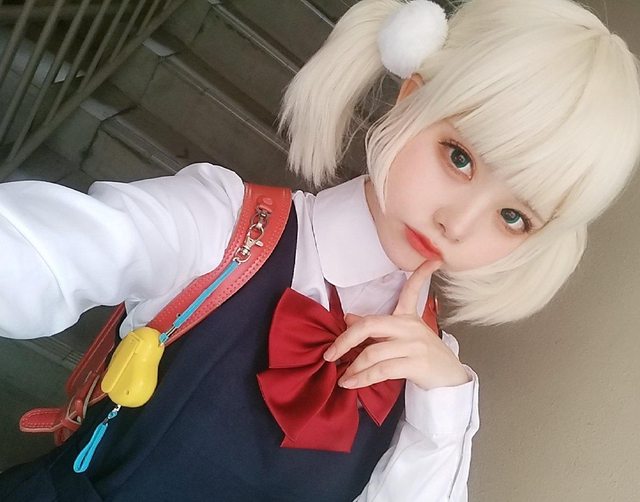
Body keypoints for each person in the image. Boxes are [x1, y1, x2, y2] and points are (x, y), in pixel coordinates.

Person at [0, 0, 638, 500]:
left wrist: (443, 405)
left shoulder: (431, 379)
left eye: (513, 216)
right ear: (413, 98)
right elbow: (46, 253)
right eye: (460, 157)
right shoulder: (226, 226)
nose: (457, 223)